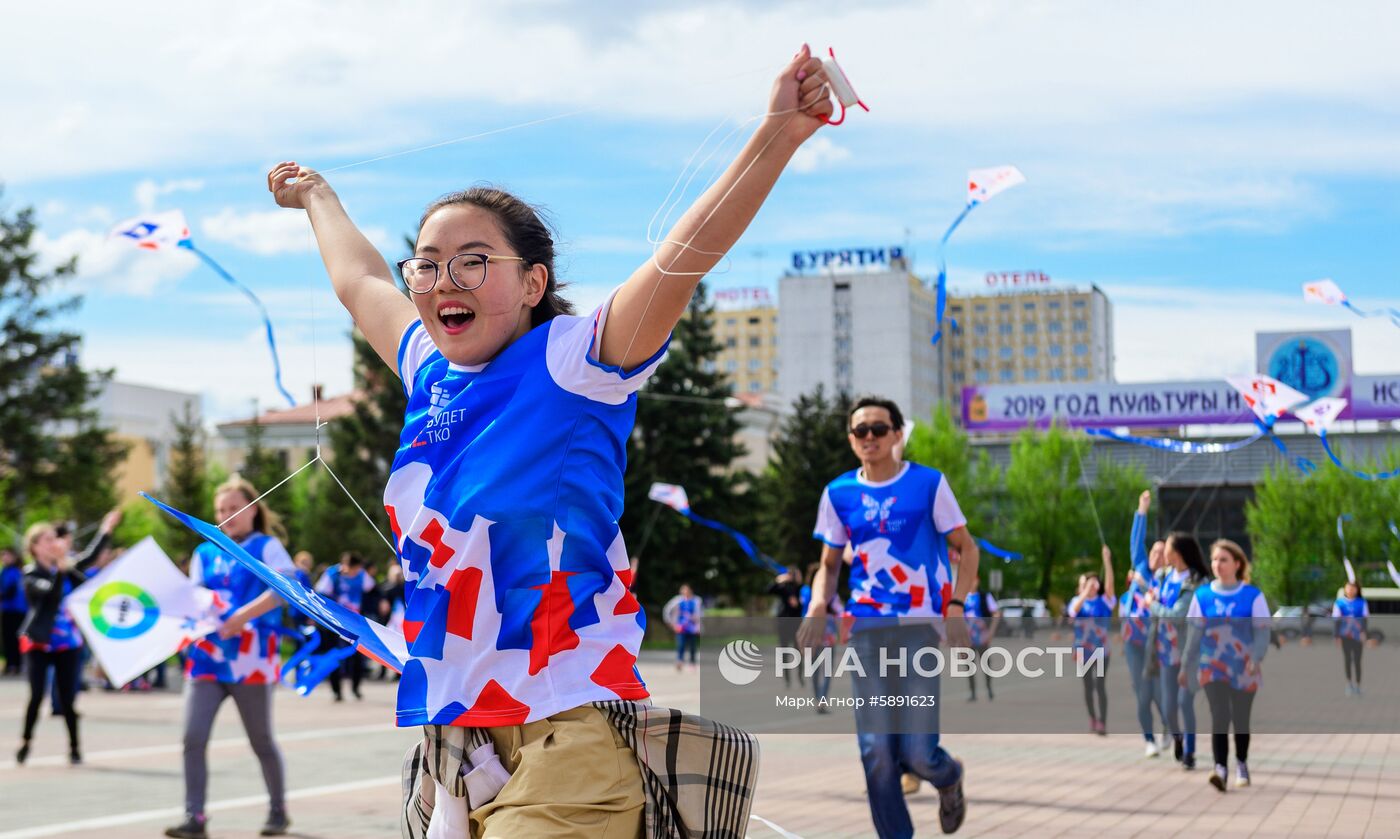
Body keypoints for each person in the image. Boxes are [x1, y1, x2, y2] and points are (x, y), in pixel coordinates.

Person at [266, 45, 831, 837]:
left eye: (472, 262)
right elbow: (360, 282)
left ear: (533, 283)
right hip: (460, 745)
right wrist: (318, 195)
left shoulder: (575, 359)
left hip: (566, 730)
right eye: (427, 266)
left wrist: (779, 134)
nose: (442, 282)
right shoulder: (430, 369)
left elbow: (684, 256)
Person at [800, 395, 978, 836]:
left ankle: (948, 777)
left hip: (919, 628)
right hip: (867, 628)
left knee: (917, 754)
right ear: (851, 439)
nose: (870, 437)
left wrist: (956, 606)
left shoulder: (928, 484)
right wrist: (818, 605)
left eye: (879, 429)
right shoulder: (838, 493)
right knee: (877, 750)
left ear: (898, 434)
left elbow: (967, 549)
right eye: (861, 431)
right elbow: (829, 563)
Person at [165, 477, 295, 839]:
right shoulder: (204, 551)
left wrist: (243, 616)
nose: (226, 515)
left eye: (233, 508)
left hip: (251, 658)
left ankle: (278, 810)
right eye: (220, 510)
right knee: (192, 736)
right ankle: (195, 817)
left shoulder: (266, 546)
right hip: (206, 657)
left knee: (260, 740)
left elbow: (287, 587)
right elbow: (194, 598)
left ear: (253, 509)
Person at [14, 510, 120, 765]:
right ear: (35, 547)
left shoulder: (67, 568)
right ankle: (26, 741)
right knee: (37, 695)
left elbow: (91, 557)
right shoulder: (31, 575)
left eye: (55, 538)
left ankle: (74, 746)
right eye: (48, 540)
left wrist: (106, 529)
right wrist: (61, 569)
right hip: (39, 643)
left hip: (67, 643)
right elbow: (49, 595)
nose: (55, 544)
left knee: (67, 697)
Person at [1181, 539, 1270, 792]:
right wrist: (1186, 664)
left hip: (1244, 667)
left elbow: (1262, 632)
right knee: (1220, 714)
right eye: (1215, 560)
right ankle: (1220, 768)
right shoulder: (1203, 596)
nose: (1217, 565)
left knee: (1241, 720)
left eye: (1223, 560)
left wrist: (1256, 657)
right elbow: (1194, 634)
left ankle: (1241, 762)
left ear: (1237, 564)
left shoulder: (1253, 596)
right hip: (1212, 666)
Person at [1146, 531, 1210, 771]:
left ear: (1178, 552)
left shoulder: (1195, 582)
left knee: (1185, 702)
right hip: (1164, 652)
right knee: (1168, 706)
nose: (1163, 552)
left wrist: (1151, 604)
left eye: (1168, 548)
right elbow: (1146, 579)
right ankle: (1178, 737)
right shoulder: (1163, 576)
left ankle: (1190, 752)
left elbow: (1177, 616)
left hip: (1188, 652)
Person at [1122, 491, 1166, 757]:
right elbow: (1135, 541)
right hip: (1133, 640)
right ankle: (1148, 739)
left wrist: (1146, 585)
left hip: (1157, 642)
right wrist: (1142, 510)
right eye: (1154, 551)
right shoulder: (1140, 566)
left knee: (1159, 692)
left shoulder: (1164, 581)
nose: (1155, 555)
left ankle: (1169, 728)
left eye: (1162, 553)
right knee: (1141, 691)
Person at [1067, 546, 1116, 735]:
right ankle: (1093, 719)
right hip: (1083, 651)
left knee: (1100, 685)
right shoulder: (1077, 601)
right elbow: (1072, 612)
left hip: (1102, 651)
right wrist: (1084, 592)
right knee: (1088, 686)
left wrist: (1107, 561)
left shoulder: (1105, 601)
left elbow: (1110, 585)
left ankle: (1103, 721)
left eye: (1095, 582)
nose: (1092, 585)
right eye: (1089, 582)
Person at [315, 551, 376, 701]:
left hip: (354, 621)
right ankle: (337, 691)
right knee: (335, 655)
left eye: (355, 569)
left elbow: (372, 589)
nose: (352, 572)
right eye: (350, 568)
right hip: (335, 621)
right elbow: (321, 593)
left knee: (357, 654)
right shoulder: (332, 574)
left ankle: (356, 687)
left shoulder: (362, 575)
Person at [962, 573, 999, 702]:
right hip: (967, 635)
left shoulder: (984, 596)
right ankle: (973, 692)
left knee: (986, 663)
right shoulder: (962, 598)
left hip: (982, 634)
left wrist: (991, 632)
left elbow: (996, 613)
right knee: (969, 665)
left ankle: (989, 689)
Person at [768, 568, 806, 687]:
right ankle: (787, 679)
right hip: (784, 623)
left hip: (797, 623)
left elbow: (805, 601)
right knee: (784, 651)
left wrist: (798, 603)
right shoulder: (783, 588)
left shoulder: (801, 588)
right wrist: (777, 581)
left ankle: (800, 676)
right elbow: (769, 590)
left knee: (798, 651)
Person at [1333, 579, 1369, 697]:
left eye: (1353, 588)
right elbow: (1336, 621)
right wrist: (1337, 636)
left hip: (1357, 636)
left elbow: (1364, 620)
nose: (1350, 590)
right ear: (1345, 589)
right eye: (1348, 587)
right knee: (1347, 660)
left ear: (1357, 590)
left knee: (1358, 661)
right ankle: (1349, 684)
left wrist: (1364, 633)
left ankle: (1358, 686)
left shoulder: (1362, 602)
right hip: (1345, 636)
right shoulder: (1339, 603)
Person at [662, 583, 704, 671]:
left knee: (693, 646)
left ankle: (692, 663)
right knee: (681, 645)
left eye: (687, 590)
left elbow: (701, 614)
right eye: (683, 590)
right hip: (681, 627)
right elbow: (667, 610)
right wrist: (671, 623)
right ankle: (679, 661)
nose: (685, 592)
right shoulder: (677, 600)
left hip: (692, 628)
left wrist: (699, 626)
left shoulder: (697, 600)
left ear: (690, 590)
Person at [375, 564, 407, 681]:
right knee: (385, 646)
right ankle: (383, 671)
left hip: (402, 623)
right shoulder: (386, 588)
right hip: (390, 621)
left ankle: (399, 672)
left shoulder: (404, 588)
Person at [2, 546, 26, 676]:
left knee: (14, 638)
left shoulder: (14, 571)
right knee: (9, 638)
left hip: (16, 610)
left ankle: (15, 664)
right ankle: (11, 663)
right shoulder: (6, 570)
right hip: (9, 609)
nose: (4, 558)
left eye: (7, 555)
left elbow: (9, 591)